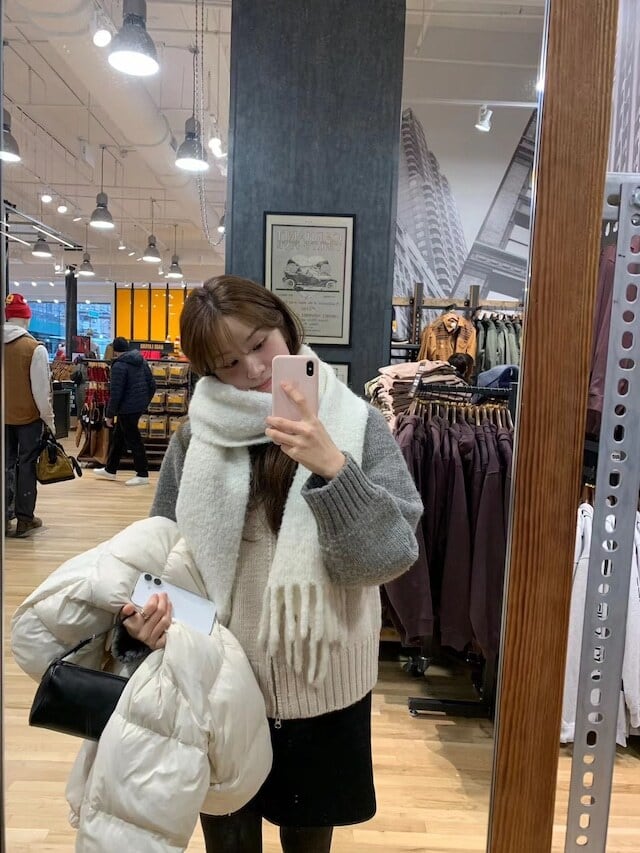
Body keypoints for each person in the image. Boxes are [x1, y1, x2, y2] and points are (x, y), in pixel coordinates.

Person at [121, 275, 423, 853]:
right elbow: (165, 551)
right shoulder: (194, 439)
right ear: (208, 371)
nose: (255, 370)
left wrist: (334, 468)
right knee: (229, 842)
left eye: (260, 344)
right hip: (220, 684)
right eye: (229, 363)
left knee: (308, 843)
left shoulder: (356, 423)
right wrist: (147, 614)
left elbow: (391, 555)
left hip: (323, 683)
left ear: (283, 324)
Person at [4, 292, 55, 537]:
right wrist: (49, 420)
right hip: (28, 419)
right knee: (26, 466)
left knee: (4, 465)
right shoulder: (34, 348)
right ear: (26, 318)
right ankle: (25, 518)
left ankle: (3, 517)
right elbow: (41, 391)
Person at [94, 336, 155, 486]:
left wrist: (109, 415)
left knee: (134, 439)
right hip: (137, 406)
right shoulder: (141, 361)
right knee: (119, 437)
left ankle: (142, 474)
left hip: (127, 408)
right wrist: (144, 402)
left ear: (114, 350)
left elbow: (116, 394)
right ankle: (110, 469)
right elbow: (152, 384)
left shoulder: (119, 366)